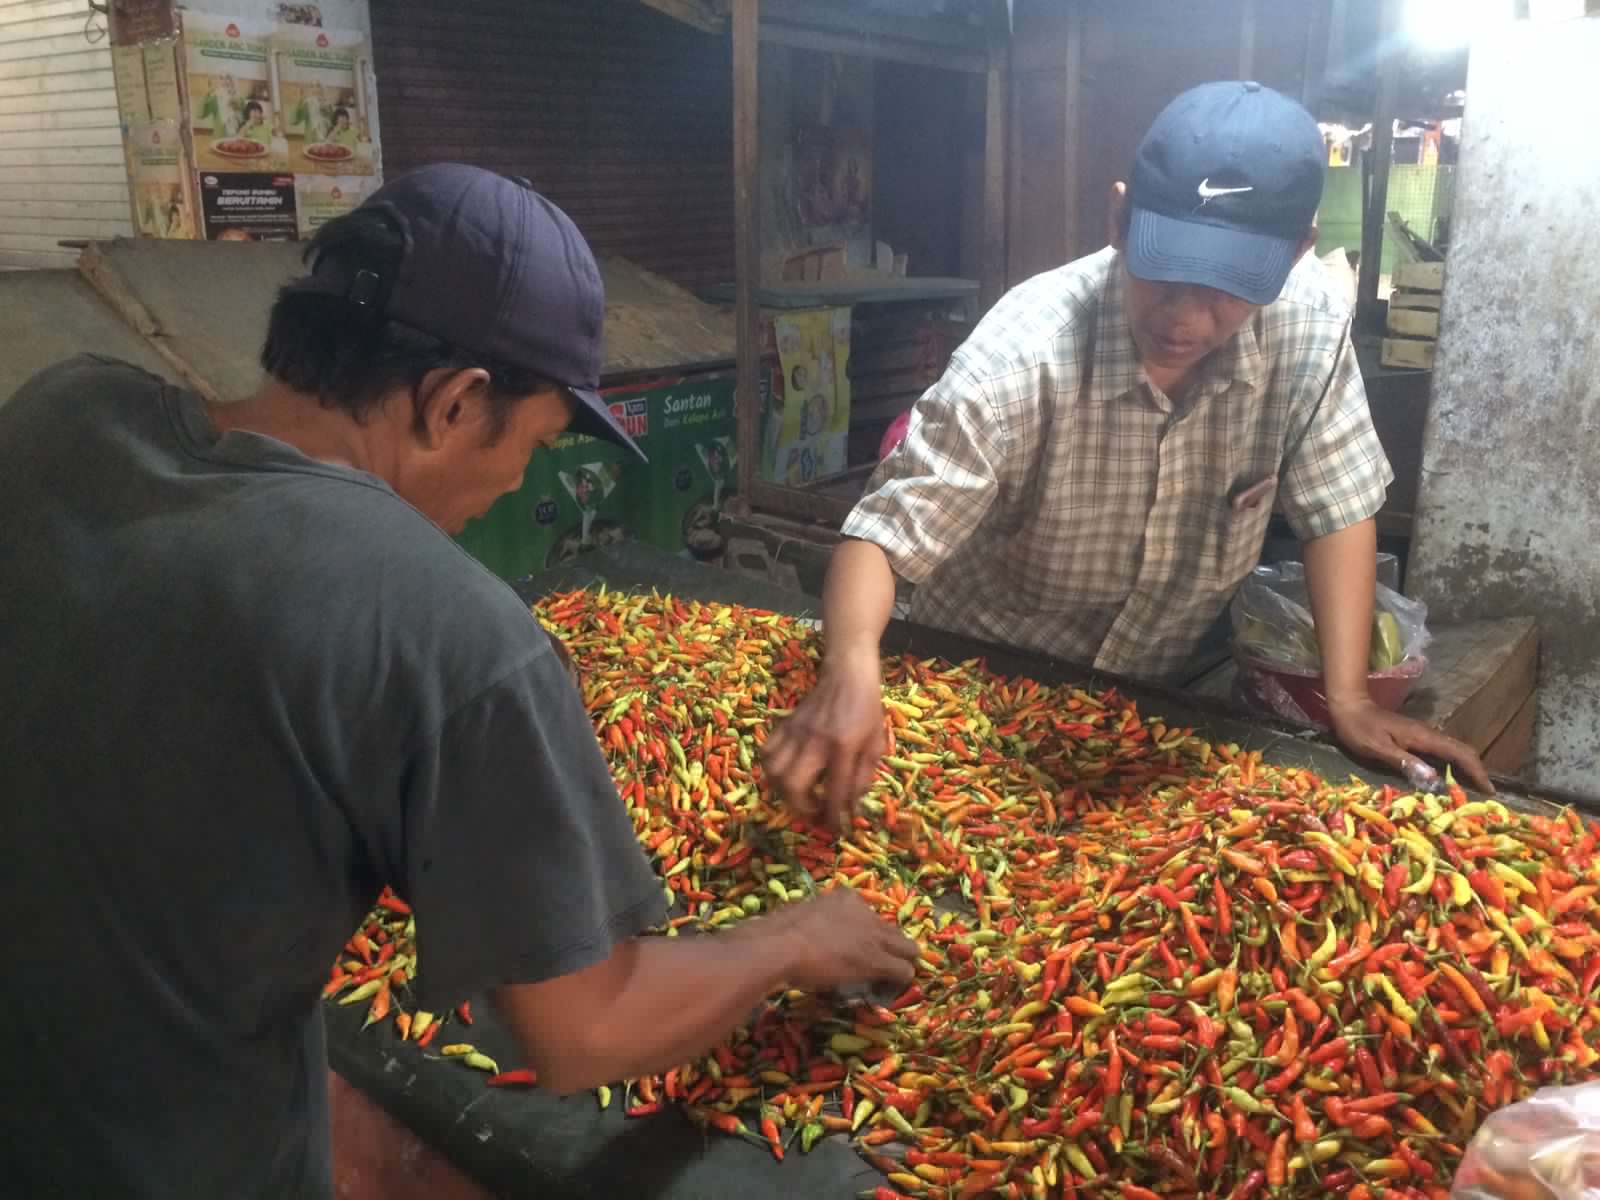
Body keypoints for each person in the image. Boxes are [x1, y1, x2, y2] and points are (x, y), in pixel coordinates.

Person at [0, 164, 916, 1199]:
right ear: (453, 402)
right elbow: (585, 1029)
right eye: (534, 442)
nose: (520, 481)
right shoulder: (450, 635)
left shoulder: (62, 411)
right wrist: (791, 938)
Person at [764, 82, 1490, 828]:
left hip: (1151, 710)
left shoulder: (1306, 330)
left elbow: (1336, 504)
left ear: (1295, 255)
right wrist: (851, 666)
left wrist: (1349, 699)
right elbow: (882, 539)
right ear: (1119, 218)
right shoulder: (1023, 356)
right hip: (980, 686)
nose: (1184, 317)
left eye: (1227, 290)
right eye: (1163, 273)